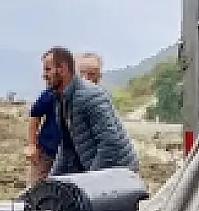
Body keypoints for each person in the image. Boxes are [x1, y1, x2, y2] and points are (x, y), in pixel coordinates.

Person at [41, 46, 138, 176]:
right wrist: (51, 181)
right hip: (98, 170)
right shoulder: (62, 99)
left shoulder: (90, 95)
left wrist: (90, 180)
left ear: (63, 69)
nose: (43, 76)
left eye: (47, 69)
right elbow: (67, 147)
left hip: (119, 173)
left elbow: (110, 144)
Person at [25, 85, 59, 186]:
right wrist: (31, 145)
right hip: (47, 153)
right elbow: (35, 114)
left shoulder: (94, 97)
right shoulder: (54, 91)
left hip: (75, 157)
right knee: (35, 189)